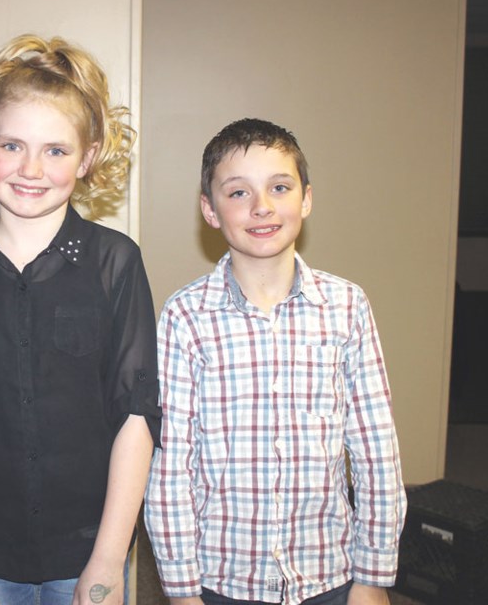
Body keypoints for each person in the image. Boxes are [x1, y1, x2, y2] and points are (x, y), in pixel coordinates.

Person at [0, 34, 161, 605]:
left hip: (88, 555)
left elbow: (137, 417)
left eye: (55, 150)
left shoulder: (115, 262)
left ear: (88, 157)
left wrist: (106, 562)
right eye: (12, 145)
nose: (30, 169)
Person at [144, 118, 406, 605]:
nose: (261, 207)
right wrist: (181, 591)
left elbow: (375, 449)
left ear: (305, 198)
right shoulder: (185, 317)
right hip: (222, 580)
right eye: (238, 193)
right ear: (210, 209)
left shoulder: (348, 306)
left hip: (331, 573)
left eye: (279, 187)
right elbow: (171, 465)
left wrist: (373, 576)